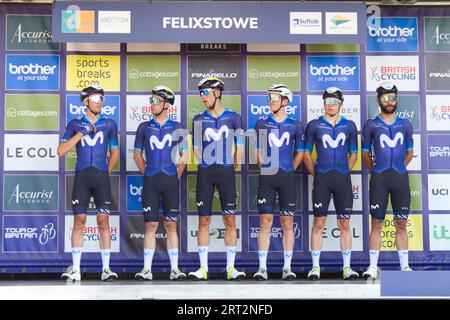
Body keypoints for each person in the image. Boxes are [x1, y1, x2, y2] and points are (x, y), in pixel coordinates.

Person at [58, 84, 119, 281]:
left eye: (101, 98)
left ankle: (106, 269)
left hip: (100, 177)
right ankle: (75, 269)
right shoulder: (75, 123)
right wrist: (80, 133)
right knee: (79, 221)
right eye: (95, 99)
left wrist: (104, 173)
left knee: (103, 222)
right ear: (85, 102)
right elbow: (60, 151)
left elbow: (115, 153)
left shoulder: (110, 123)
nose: (99, 102)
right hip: (82, 177)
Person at [188, 77, 246, 281]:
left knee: (230, 219)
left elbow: (240, 146)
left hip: (226, 172)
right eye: (200, 93)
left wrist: (231, 165)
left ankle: (231, 268)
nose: (202, 97)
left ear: (217, 93)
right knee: (204, 220)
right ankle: (203, 269)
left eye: (206, 93)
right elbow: (195, 148)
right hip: (205, 172)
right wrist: (203, 162)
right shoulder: (197, 120)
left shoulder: (234, 117)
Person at [303, 87, 359, 281]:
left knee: (344, 223)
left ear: (341, 104)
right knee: (319, 222)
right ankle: (315, 267)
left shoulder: (350, 126)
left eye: (334, 102)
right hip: (322, 179)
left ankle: (347, 267)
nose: (330, 105)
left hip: (342, 179)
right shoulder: (314, 125)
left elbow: (354, 155)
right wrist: (317, 174)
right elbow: (306, 154)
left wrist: (344, 170)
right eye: (327, 101)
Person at [133, 85, 188, 281]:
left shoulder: (178, 128)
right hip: (151, 181)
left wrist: (175, 176)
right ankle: (146, 269)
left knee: (171, 225)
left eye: (155, 101)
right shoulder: (144, 127)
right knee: (150, 225)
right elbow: (137, 154)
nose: (151, 105)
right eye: (151, 100)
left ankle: (175, 269)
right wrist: (147, 172)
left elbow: (184, 156)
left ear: (166, 104)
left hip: (170, 180)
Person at [362, 81, 414, 280]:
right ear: (378, 100)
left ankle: (405, 267)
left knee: (401, 223)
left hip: (399, 177)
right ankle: (373, 267)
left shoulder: (405, 124)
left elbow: (410, 152)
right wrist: (375, 169)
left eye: (392, 97)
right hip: (379, 179)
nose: (389, 101)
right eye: (385, 97)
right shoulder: (371, 124)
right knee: (377, 222)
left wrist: (399, 167)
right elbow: (365, 153)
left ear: (396, 99)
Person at [252, 84, 304, 281]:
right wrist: (263, 165)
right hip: (267, 177)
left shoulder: (295, 125)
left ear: (284, 101)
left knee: (287, 222)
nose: (270, 101)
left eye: (274, 97)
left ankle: (287, 267)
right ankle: (262, 268)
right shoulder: (261, 123)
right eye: (269, 97)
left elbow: (300, 151)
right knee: (265, 222)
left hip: (287, 177)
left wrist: (290, 167)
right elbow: (257, 150)